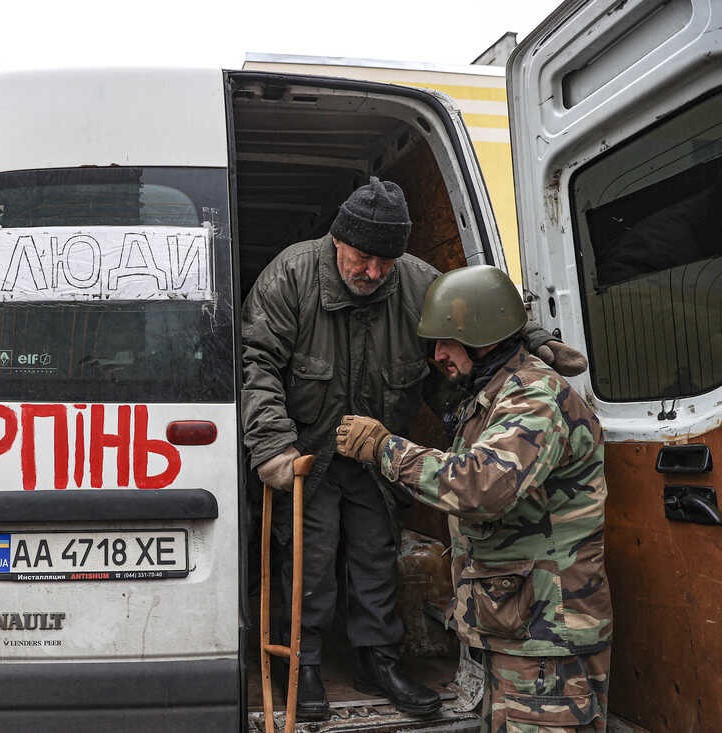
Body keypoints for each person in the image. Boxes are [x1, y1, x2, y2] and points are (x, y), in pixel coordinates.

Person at [241, 178, 585, 720]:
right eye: (363, 257)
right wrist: (272, 445)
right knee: (308, 556)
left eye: (386, 260)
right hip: (309, 450)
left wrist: (535, 341)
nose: (374, 272)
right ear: (338, 240)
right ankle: (302, 662)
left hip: (378, 452)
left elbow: (481, 312)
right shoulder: (292, 274)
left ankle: (377, 658)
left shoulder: (419, 280)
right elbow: (255, 362)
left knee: (377, 554)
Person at [335, 265, 613, 732]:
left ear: (483, 337)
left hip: (548, 640)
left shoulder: (535, 399)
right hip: (517, 629)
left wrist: (386, 449)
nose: (438, 355)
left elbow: (481, 486)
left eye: (447, 341)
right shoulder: (493, 393)